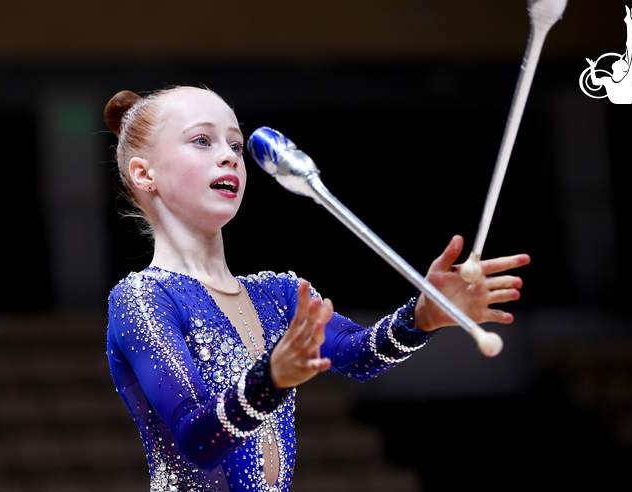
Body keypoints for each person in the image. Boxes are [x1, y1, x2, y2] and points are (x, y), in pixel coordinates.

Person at [104, 86, 530, 492]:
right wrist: (268, 380)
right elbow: (196, 440)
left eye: (235, 146)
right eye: (202, 141)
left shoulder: (276, 294)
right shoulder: (143, 298)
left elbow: (357, 356)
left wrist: (421, 318)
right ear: (145, 174)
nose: (229, 158)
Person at [586, 5, 632, 104]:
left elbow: (631, 48)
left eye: (622, 61)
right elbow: (595, 82)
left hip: (625, 98)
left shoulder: (628, 78)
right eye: (623, 60)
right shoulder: (609, 80)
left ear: (624, 69)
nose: (619, 59)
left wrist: (630, 26)